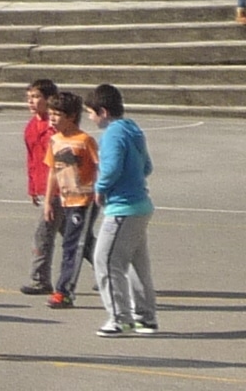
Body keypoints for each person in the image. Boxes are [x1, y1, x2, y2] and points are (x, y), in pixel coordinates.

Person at [88, 83, 158, 336]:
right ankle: (145, 317)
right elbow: (147, 167)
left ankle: (120, 319)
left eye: (91, 113)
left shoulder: (112, 135)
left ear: (103, 112)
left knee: (105, 260)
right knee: (137, 263)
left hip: (123, 208)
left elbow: (112, 166)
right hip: (141, 205)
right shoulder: (133, 129)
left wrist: (100, 187)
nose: (90, 118)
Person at [42, 91, 100, 310]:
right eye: (51, 114)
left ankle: (64, 291)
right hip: (66, 201)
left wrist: (100, 191)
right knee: (85, 244)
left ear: (72, 116)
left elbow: (100, 166)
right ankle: (115, 272)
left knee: (72, 245)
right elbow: (53, 172)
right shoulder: (55, 140)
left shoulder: (84, 141)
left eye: (57, 114)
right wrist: (49, 201)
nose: (53, 119)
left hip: (84, 200)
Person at [20, 78, 59, 296]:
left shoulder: (54, 128)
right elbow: (32, 159)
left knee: (43, 235)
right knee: (77, 237)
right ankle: (107, 266)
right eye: (29, 98)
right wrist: (32, 187)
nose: (31, 102)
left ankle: (40, 279)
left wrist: (50, 193)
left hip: (56, 189)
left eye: (36, 97)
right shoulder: (31, 126)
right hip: (42, 188)